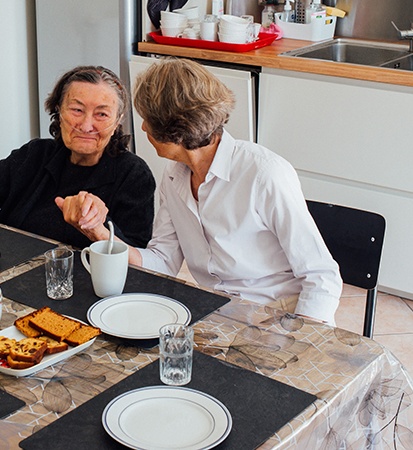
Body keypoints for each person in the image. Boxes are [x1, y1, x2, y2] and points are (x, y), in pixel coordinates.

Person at [78, 58, 342, 324]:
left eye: (147, 119)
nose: (143, 127)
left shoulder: (264, 174)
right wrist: (100, 232)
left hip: (280, 314)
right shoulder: (174, 175)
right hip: (217, 315)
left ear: (173, 128)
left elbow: (321, 276)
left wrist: (302, 340)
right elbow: (162, 262)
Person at [0, 66, 155, 249]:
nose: (86, 126)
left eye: (101, 114)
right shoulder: (35, 155)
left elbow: (137, 259)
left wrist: (98, 225)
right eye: (77, 110)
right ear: (59, 112)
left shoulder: (134, 175)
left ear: (117, 121)